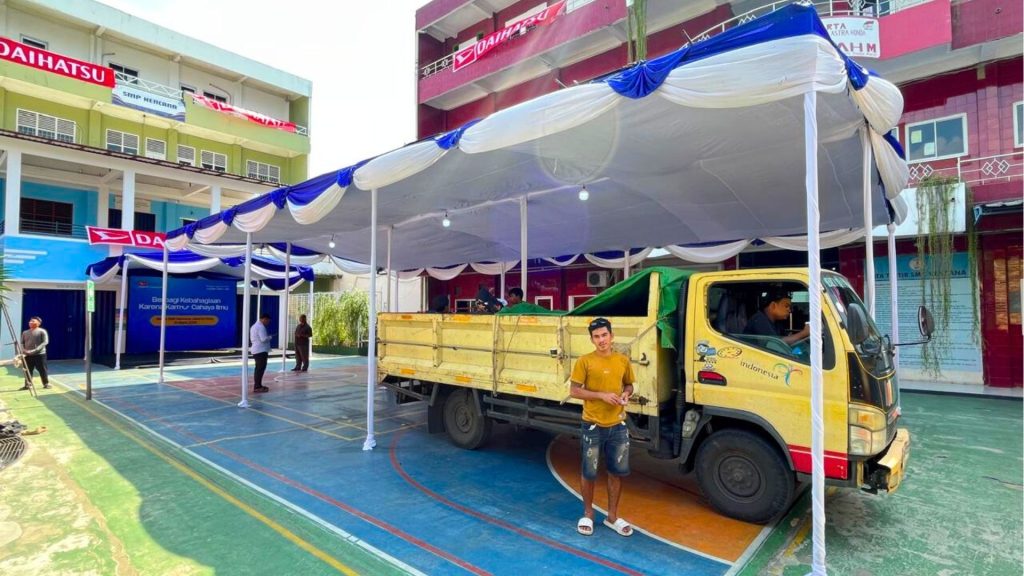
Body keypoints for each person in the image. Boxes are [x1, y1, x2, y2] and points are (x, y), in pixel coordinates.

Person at [569, 317, 635, 537]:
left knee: (616, 473)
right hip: (592, 426)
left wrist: (626, 394)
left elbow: (629, 384)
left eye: (604, 335)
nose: (601, 340)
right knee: (589, 472)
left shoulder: (622, 361)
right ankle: (588, 514)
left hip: (618, 425)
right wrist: (600, 395)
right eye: (596, 337)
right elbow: (574, 390)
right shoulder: (584, 362)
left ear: (611, 336)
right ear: (592, 340)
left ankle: (612, 517)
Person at [744, 289, 810, 345]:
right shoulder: (759, 320)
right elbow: (776, 344)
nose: (790, 310)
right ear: (773, 306)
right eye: (786, 306)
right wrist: (804, 333)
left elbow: (784, 339)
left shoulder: (776, 322)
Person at [19, 316, 50, 390]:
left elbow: (45, 342)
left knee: (42, 369)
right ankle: (28, 385)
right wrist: (24, 350)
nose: (30, 322)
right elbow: (22, 343)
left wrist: (35, 350)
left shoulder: (42, 331)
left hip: (39, 354)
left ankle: (46, 383)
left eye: (33, 321)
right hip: (27, 355)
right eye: (30, 321)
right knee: (28, 370)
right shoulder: (25, 332)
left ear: (38, 323)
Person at [250, 313, 272, 393]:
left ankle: (258, 385)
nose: (268, 323)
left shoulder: (254, 326)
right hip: (260, 350)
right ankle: (257, 386)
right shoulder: (261, 327)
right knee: (260, 369)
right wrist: (269, 337)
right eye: (268, 321)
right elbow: (263, 339)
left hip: (257, 350)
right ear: (264, 319)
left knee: (258, 369)